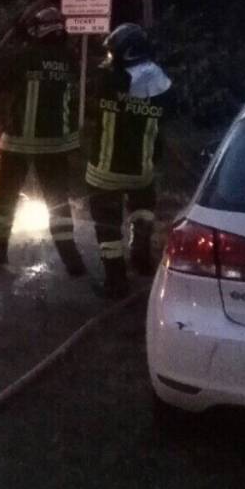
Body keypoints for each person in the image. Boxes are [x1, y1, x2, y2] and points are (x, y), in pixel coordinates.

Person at [0, 7, 86, 275]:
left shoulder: (23, 57)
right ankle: (72, 260)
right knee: (57, 202)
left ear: (39, 30)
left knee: (5, 201)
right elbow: (47, 60)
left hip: (18, 142)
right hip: (55, 144)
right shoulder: (70, 59)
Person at [85, 23, 172, 298]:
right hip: (142, 168)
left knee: (107, 226)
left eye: (114, 53)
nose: (110, 58)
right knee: (142, 213)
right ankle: (142, 260)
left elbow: (94, 94)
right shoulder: (161, 85)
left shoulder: (107, 81)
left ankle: (115, 280)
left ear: (127, 53)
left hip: (106, 169)